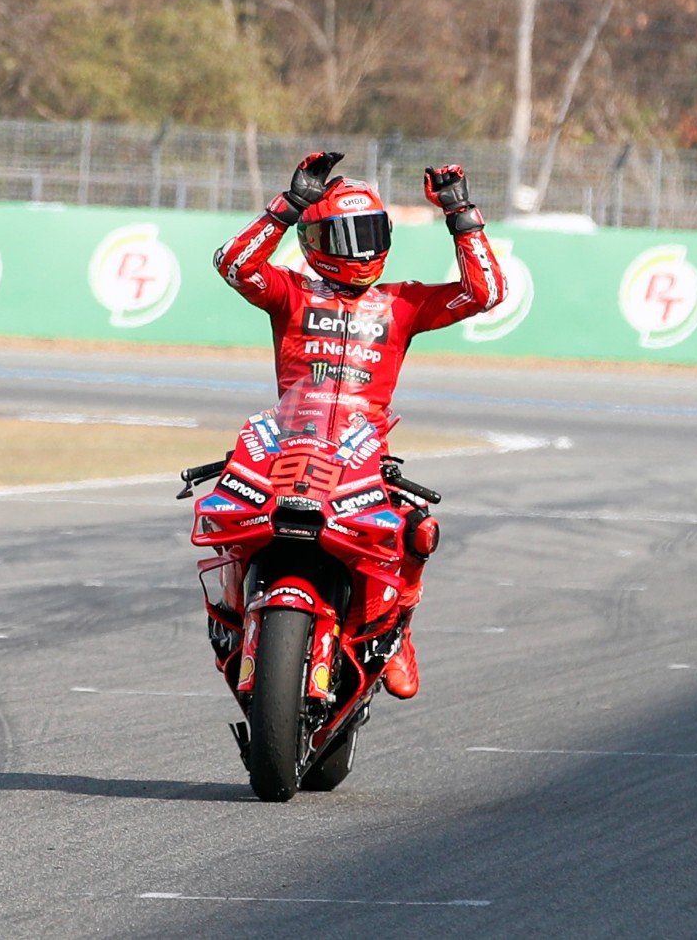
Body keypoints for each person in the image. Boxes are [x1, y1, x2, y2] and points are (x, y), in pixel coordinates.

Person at [212, 151, 505, 701]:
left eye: (369, 231)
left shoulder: (402, 303)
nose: (360, 249)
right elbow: (234, 266)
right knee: (231, 516)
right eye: (343, 237)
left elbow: (484, 293)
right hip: (289, 447)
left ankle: (397, 633)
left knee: (415, 530)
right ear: (313, 243)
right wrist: (288, 205)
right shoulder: (290, 292)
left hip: (361, 454)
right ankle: (233, 616)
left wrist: (460, 214)